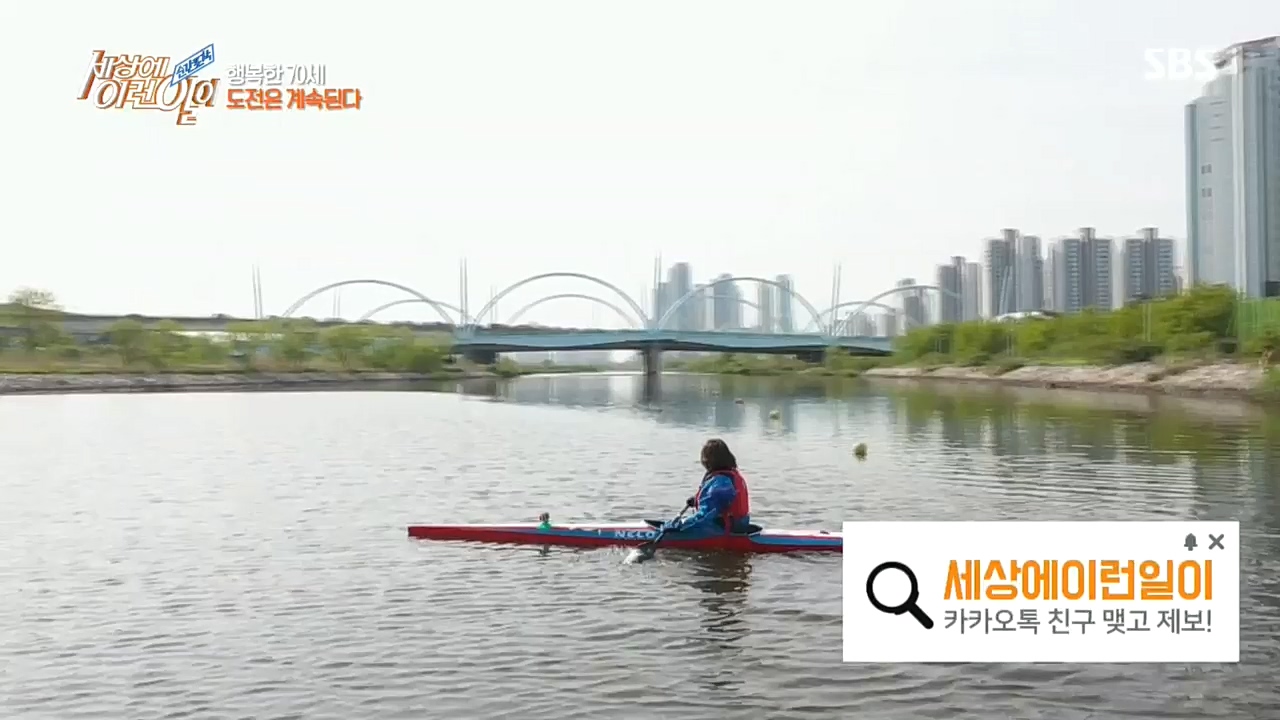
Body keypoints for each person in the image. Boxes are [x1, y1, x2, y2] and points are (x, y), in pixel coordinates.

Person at [664, 438, 752, 536]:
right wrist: (696, 500)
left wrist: (680, 525)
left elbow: (705, 515)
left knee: (685, 526)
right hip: (739, 524)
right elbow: (721, 502)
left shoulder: (720, 483)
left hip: (724, 529)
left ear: (709, 461)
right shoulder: (730, 476)